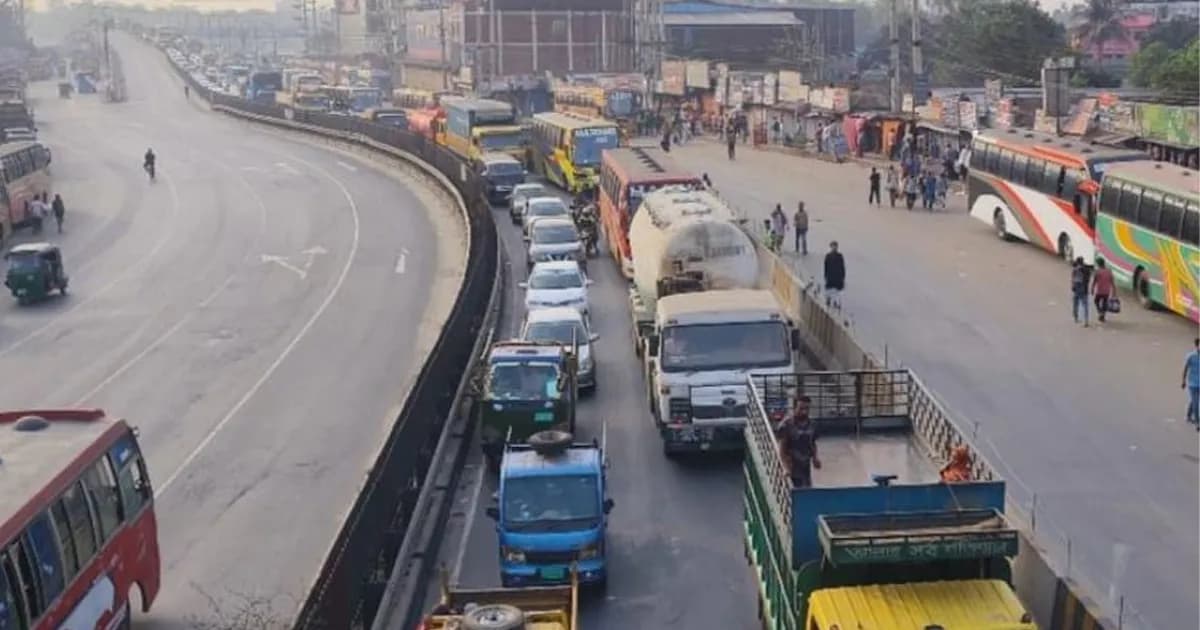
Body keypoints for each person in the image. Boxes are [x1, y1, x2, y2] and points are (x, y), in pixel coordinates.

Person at [775, 395, 821, 488]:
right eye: (801, 408)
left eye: (807, 408)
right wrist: (786, 468)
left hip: (805, 468)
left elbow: (812, 443)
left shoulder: (812, 424)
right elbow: (782, 449)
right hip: (791, 467)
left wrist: (815, 458)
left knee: (806, 492)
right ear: (795, 408)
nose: (804, 411)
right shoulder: (786, 425)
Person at [1092, 258, 1115, 322]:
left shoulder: (1097, 271)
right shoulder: (1109, 271)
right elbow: (1112, 282)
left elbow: (1094, 281)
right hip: (1107, 291)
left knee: (1096, 301)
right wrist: (1114, 291)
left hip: (1100, 290)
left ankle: (1100, 312)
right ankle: (1102, 316)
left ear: (1098, 264)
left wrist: (1092, 289)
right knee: (1105, 303)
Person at [1184, 338, 1200, 429]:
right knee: (1196, 402)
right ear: (1196, 346)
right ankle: (1197, 422)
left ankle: (1188, 415)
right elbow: (1185, 368)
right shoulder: (1190, 356)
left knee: (1194, 401)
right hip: (1193, 384)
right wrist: (1183, 381)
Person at [823, 241, 845, 308]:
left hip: (837, 276)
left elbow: (842, 266)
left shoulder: (840, 256)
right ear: (831, 247)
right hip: (830, 275)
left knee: (837, 291)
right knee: (829, 289)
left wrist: (843, 276)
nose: (834, 248)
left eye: (835, 246)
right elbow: (826, 266)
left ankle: (836, 302)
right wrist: (826, 275)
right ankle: (829, 300)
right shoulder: (828, 256)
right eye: (833, 246)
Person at [1070, 257, 1091, 327]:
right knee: (1085, 305)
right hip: (1084, 289)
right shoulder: (1087, 270)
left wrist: (1073, 287)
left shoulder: (1075, 269)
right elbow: (1088, 279)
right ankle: (1086, 321)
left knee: (1075, 303)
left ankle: (1076, 318)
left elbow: (1072, 279)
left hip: (1076, 289)